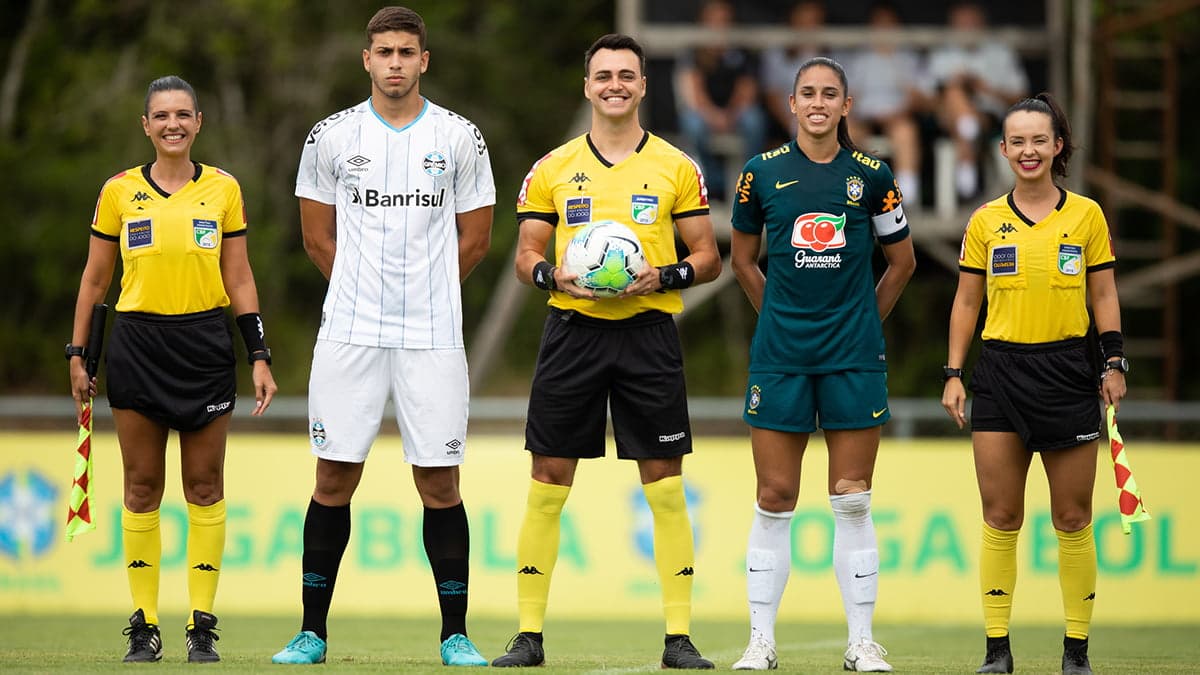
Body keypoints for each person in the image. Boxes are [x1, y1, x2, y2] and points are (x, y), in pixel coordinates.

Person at [270, 6, 494, 667]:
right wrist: (367, 293)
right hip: (350, 330)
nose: (395, 62)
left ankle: (455, 634)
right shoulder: (331, 137)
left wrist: (423, 292)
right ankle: (312, 631)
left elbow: (476, 238)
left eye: (406, 52)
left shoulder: (460, 137)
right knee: (334, 474)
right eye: (383, 51)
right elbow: (316, 236)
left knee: (440, 480)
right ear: (365, 59)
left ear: (425, 60)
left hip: (431, 331)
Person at [490, 33, 721, 670]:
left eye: (627, 75)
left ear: (644, 86)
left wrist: (663, 275)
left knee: (665, 486)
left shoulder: (677, 165)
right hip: (574, 333)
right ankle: (529, 636)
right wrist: (551, 276)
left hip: (648, 334)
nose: (614, 84)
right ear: (586, 86)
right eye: (603, 75)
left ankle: (678, 638)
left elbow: (707, 257)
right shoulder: (554, 167)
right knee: (547, 482)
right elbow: (525, 257)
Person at [69, 74, 278, 663]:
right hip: (137, 344)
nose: (173, 125)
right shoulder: (117, 192)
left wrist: (257, 353)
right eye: (161, 116)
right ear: (146, 125)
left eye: (183, 115)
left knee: (205, 486)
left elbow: (238, 277)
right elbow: (94, 279)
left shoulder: (224, 189)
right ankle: (145, 623)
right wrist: (78, 353)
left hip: (206, 344)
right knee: (141, 487)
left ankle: (202, 624)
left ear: (199, 122)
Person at [728, 56, 916, 672]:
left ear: (846, 105)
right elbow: (743, 262)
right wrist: (776, 315)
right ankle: (761, 640)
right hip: (780, 355)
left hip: (853, 358)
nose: (817, 102)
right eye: (807, 92)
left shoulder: (873, 175)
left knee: (852, 497)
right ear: (791, 103)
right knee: (775, 495)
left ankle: (861, 642)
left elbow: (903, 262)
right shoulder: (760, 174)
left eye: (829, 93)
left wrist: (863, 321)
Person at [941, 93, 1125, 675]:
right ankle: (998, 652)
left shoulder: (1087, 216)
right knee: (1000, 517)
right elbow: (968, 299)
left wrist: (1113, 363)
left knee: (1072, 519)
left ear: (1058, 146)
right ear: (1003, 149)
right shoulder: (985, 220)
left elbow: (1103, 295)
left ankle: (1076, 653)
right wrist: (953, 373)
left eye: (1039, 140)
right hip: (998, 375)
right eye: (1017, 141)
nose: (1028, 151)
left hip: (1069, 374)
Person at [924, 1, 1028, 201]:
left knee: (958, 102)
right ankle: (968, 136)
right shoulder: (942, 54)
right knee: (954, 92)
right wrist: (951, 85)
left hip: (989, 116)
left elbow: (1021, 95)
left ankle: (966, 153)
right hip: (946, 118)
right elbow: (925, 99)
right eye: (961, 24)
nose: (966, 29)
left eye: (971, 23)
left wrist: (984, 88)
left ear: (982, 23)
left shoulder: (1000, 52)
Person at [675, 0, 767, 201]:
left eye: (723, 20)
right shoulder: (693, 52)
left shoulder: (742, 51)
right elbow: (692, 92)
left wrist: (730, 115)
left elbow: (747, 90)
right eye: (713, 19)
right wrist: (713, 116)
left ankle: (750, 180)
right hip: (705, 112)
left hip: (737, 112)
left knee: (754, 120)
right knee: (691, 123)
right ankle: (711, 182)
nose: (718, 25)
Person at [843, 1, 925, 205]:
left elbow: (920, 98)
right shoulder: (859, 57)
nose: (884, 30)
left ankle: (907, 198)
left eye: (889, 25)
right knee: (847, 131)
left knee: (905, 132)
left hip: (898, 117)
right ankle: (856, 196)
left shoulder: (908, 57)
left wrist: (901, 110)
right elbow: (848, 95)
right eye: (879, 24)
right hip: (864, 117)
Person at [760, 1, 833, 142]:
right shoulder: (776, 54)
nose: (808, 28)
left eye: (813, 21)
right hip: (786, 120)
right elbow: (772, 95)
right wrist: (792, 123)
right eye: (803, 21)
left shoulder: (832, 54)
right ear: (793, 22)